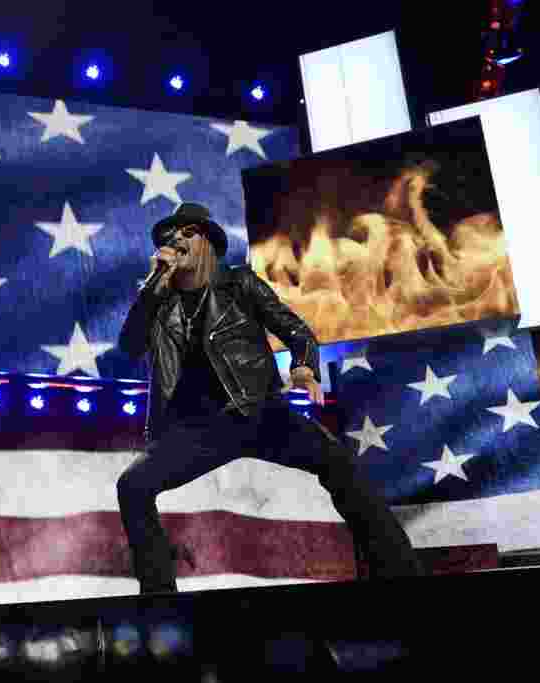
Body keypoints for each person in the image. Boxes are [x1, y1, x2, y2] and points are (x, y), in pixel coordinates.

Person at [117, 202, 424, 594]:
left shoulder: (239, 283)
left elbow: (296, 330)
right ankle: (159, 598)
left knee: (338, 462)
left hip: (260, 413)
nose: (175, 239)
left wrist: (304, 368)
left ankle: (400, 572)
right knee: (133, 486)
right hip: (200, 428)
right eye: (169, 236)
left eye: (187, 232)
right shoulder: (159, 302)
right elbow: (129, 346)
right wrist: (153, 288)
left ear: (208, 243)